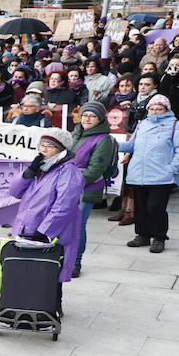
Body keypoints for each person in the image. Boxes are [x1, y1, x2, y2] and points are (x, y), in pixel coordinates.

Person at [7, 130, 85, 286]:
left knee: (49, 275)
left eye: (49, 147)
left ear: (61, 150)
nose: (43, 150)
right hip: (26, 228)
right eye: (42, 145)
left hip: (49, 232)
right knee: (26, 274)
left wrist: (45, 231)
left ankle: (52, 305)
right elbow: (15, 192)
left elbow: (65, 205)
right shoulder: (40, 168)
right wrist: (28, 173)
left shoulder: (68, 171)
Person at [121, 93, 179, 253]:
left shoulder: (177, 125)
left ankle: (159, 237)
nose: (154, 111)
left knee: (155, 208)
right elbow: (132, 145)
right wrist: (111, 142)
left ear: (166, 109)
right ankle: (143, 235)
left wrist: (173, 169)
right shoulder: (142, 124)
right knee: (141, 207)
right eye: (151, 108)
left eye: (159, 108)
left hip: (162, 175)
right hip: (138, 173)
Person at [67, 102, 119, 278]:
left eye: (92, 116)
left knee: (78, 225)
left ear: (100, 119)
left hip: (86, 189)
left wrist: (74, 182)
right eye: (85, 115)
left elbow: (96, 168)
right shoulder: (75, 134)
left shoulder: (103, 139)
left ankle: (76, 261)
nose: (87, 118)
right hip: (67, 186)